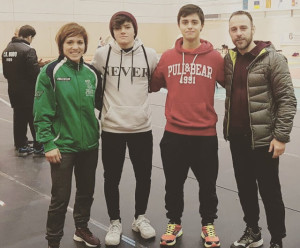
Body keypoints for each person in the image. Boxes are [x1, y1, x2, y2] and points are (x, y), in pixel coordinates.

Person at [150, 4, 224, 247]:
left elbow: (235, 85)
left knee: (208, 185)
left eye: (194, 22)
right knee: (173, 184)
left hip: (205, 135)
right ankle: (174, 223)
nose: (190, 26)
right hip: (174, 134)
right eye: (185, 22)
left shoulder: (215, 58)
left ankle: (208, 224)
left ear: (202, 25)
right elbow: (152, 83)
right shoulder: (168, 57)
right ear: (179, 25)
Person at [224, 11, 297, 248]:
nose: (238, 34)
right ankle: (253, 232)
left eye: (243, 28)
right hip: (237, 138)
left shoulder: (273, 59)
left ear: (253, 29)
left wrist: (281, 136)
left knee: (270, 193)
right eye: (234, 29)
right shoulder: (230, 59)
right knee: (245, 190)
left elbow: (287, 99)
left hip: (264, 140)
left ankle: (277, 239)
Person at [92, 11, 158, 246]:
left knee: (144, 176)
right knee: (112, 177)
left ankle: (140, 218)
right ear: (112, 31)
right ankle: (115, 221)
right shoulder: (102, 55)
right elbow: (94, 85)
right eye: (118, 27)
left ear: (134, 29)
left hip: (141, 127)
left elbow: (156, 83)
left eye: (127, 26)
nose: (123, 31)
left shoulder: (149, 55)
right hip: (112, 128)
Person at [33, 22, 102, 248]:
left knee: (86, 193)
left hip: (89, 145)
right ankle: (54, 240)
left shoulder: (92, 73)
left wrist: (96, 130)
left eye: (80, 42)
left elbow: (98, 106)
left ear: (85, 45)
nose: (75, 47)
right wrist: (48, 144)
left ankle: (81, 229)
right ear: (61, 44)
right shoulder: (50, 72)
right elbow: (41, 113)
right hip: (62, 147)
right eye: (70, 42)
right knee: (60, 198)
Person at [2, 25, 44, 156]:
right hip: (29, 92)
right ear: (30, 36)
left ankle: (21, 145)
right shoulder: (28, 50)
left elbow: (7, 73)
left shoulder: (6, 50)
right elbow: (35, 73)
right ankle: (38, 146)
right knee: (34, 119)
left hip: (14, 91)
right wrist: (39, 67)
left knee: (19, 118)